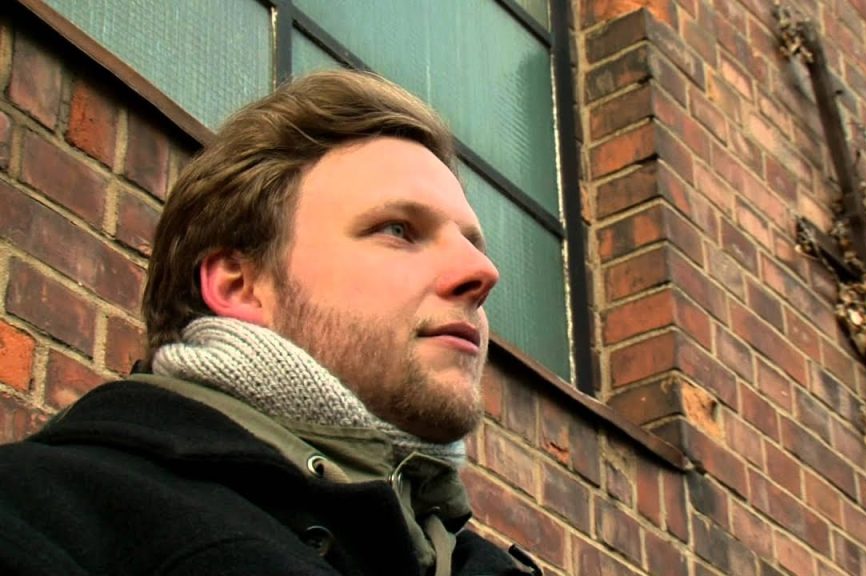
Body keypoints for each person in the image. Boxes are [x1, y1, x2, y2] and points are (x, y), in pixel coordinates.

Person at [0, 69, 542, 576]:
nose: (482, 272)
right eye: (398, 230)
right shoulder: (37, 517)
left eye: (472, 244)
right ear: (239, 285)